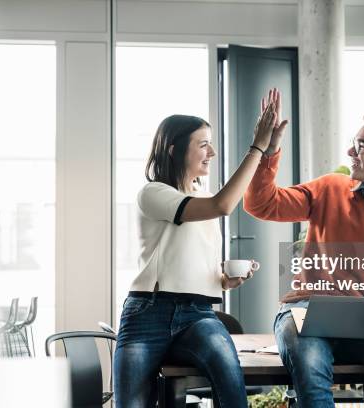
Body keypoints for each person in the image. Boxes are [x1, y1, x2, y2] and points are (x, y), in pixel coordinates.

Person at [244, 89, 364, 408]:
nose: (351, 151)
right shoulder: (330, 189)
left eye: (361, 146)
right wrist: (269, 151)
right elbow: (261, 205)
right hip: (305, 310)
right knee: (309, 364)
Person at [113, 103, 278, 407]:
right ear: (175, 150)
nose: (212, 153)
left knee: (229, 374)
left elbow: (196, 257)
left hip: (198, 314)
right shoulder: (153, 193)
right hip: (148, 311)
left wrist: (225, 280)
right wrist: (257, 148)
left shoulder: (204, 197)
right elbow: (223, 205)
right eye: (203, 144)